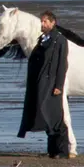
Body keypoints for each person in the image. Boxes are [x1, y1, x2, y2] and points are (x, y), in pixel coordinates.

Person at [18, 10, 70, 159]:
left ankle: (62, 151)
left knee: (56, 115)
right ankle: (52, 150)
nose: (42, 24)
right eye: (41, 21)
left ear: (53, 23)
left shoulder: (60, 40)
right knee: (46, 114)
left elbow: (62, 65)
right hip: (42, 83)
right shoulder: (43, 39)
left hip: (53, 83)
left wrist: (59, 86)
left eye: (45, 21)